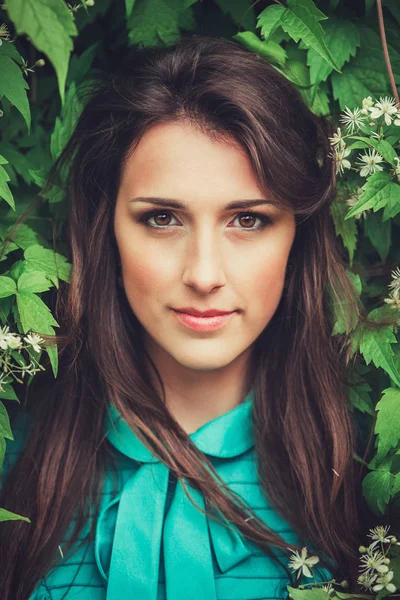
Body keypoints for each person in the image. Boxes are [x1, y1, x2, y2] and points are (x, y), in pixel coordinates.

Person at [0, 34, 377, 599]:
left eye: (247, 221)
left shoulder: (369, 474)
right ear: (108, 231)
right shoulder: (13, 454)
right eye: (162, 218)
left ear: (296, 237)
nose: (204, 274)